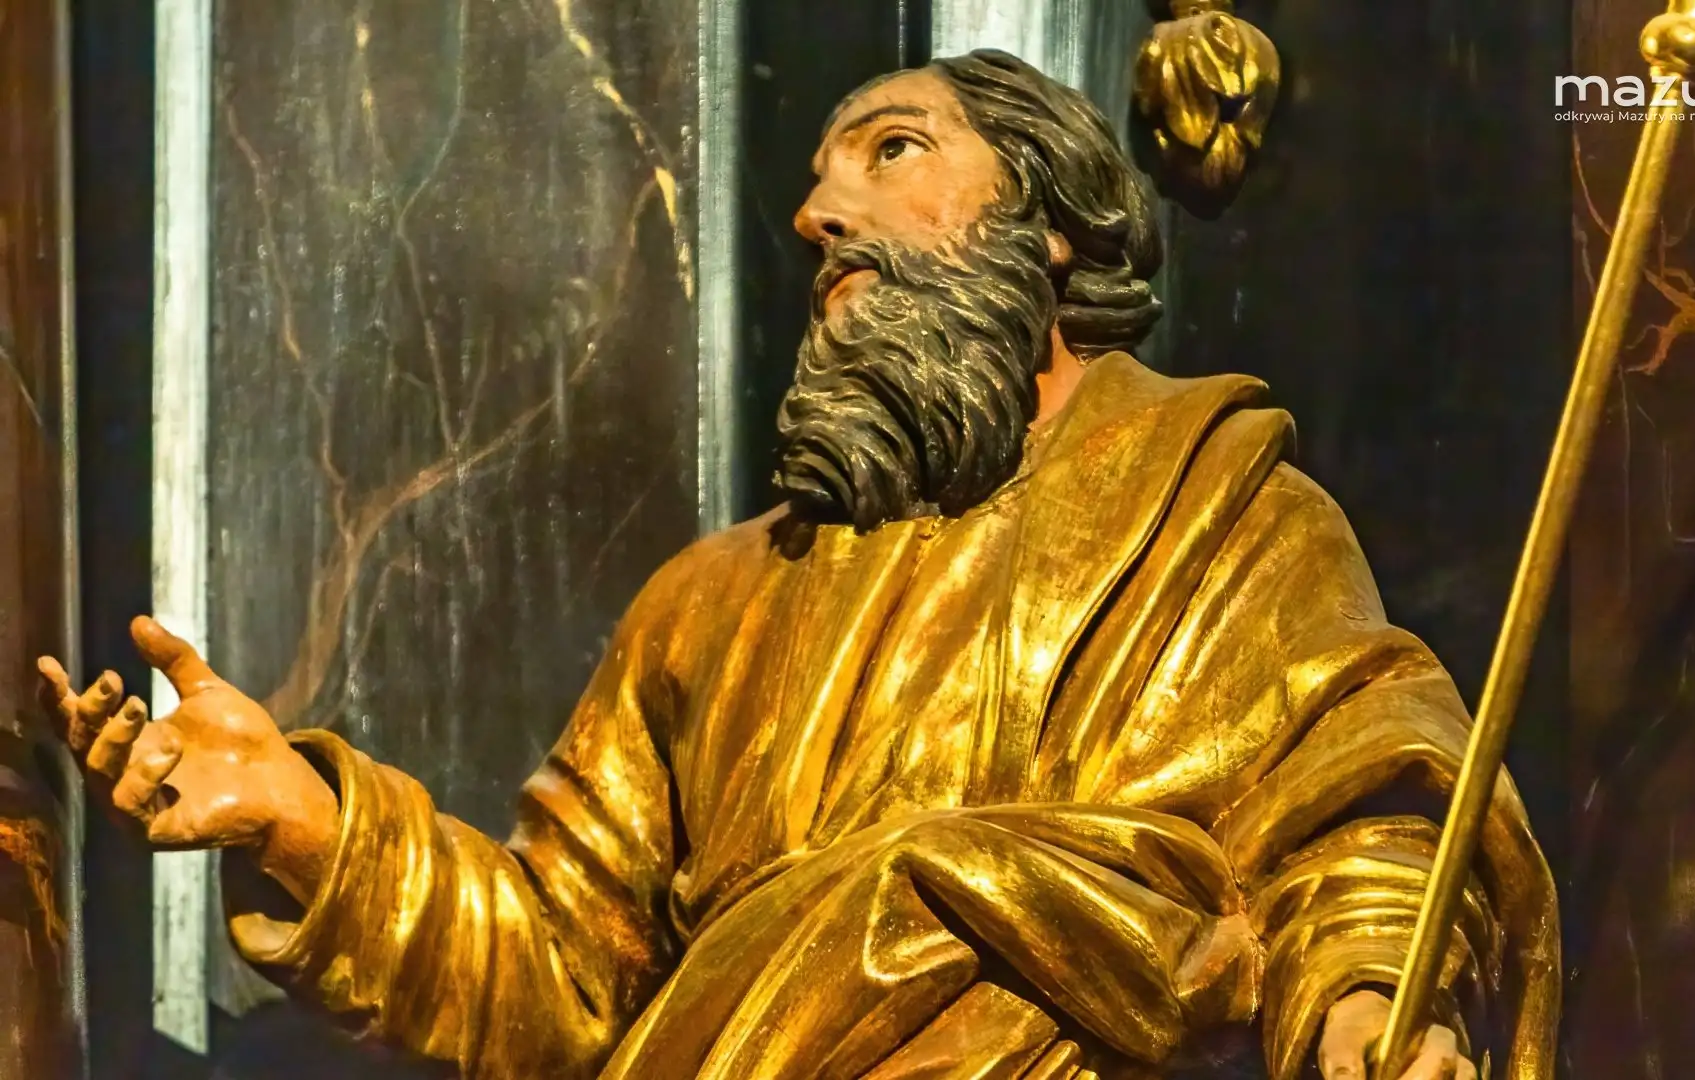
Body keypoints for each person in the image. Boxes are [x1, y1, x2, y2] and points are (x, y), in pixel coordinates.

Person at [42, 50, 1556, 1080]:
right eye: (821, 188)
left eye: (894, 153)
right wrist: (314, 825)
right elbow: (566, 980)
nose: (822, 217)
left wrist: (1364, 1004)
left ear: (1046, 229)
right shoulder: (713, 602)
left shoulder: (1219, 512)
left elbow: (1364, 815)